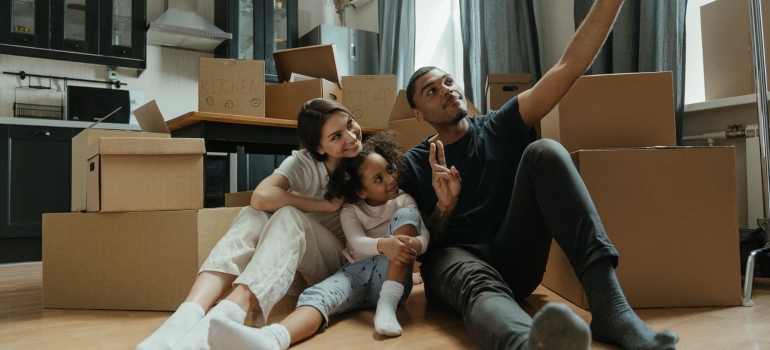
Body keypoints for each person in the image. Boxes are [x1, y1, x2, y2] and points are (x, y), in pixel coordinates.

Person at [399, 1, 679, 350]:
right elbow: (425, 248)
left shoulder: (499, 126)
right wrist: (444, 207)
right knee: (474, 280)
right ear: (417, 114)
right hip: (457, 263)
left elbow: (568, 67)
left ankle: (612, 310)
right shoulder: (413, 164)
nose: (447, 90)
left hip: (514, 260)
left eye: (448, 81)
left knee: (544, 151)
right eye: (431, 90)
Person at [136, 98, 364, 350]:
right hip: (293, 267)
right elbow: (260, 197)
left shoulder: (368, 161)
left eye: (350, 124)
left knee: (289, 215)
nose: (351, 137)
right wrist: (325, 205)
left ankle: (230, 310)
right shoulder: (304, 162)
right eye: (336, 136)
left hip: (338, 268)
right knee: (254, 213)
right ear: (318, 148)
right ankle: (189, 313)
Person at [205, 131, 430, 349]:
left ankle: (387, 306)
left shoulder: (403, 200)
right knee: (317, 295)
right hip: (355, 271)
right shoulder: (350, 209)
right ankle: (272, 339)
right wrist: (384, 245)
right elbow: (357, 241)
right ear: (362, 192)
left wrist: (411, 246)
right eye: (378, 178)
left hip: (393, 278)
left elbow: (424, 234)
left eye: (390, 170)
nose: (391, 179)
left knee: (408, 217)